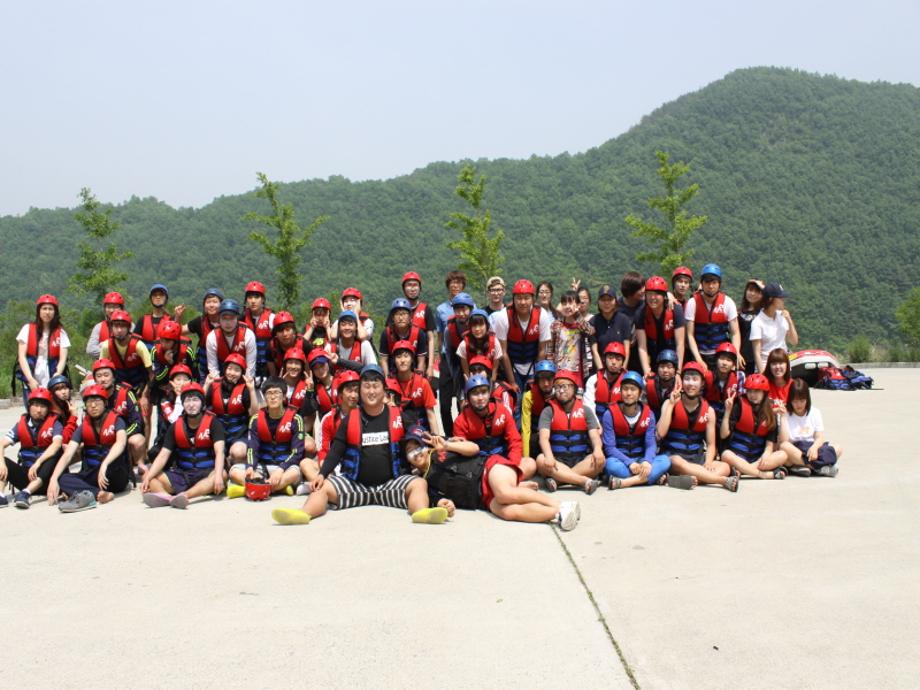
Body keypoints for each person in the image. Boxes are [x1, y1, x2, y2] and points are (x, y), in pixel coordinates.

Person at [270, 364, 448, 526]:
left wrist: (439, 442)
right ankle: (303, 514)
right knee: (322, 487)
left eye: (376, 386)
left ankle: (421, 512)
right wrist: (322, 474)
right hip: (355, 485)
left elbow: (419, 434)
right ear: (360, 391)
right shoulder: (349, 420)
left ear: (384, 391)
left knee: (418, 484)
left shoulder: (399, 417)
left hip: (391, 484)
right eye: (367, 387)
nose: (371, 391)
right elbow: (336, 450)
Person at [432, 381, 580, 530]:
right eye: (475, 394)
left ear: (489, 393)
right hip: (478, 475)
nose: (480, 397)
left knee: (526, 467)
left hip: (495, 465)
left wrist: (512, 467)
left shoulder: (501, 411)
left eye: (483, 392)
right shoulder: (461, 421)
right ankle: (560, 513)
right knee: (508, 512)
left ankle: (559, 504)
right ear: (468, 398)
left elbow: (515, 441)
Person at [141, 382, 227, 508]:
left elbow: (220, 452)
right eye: (187, 401)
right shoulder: (175, 426)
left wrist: (218, 476)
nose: (191, 405)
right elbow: (163, 455)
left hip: (207, 473)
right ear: (183, 404)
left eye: (195, 400)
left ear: (202, 403)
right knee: (149, 477)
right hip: (183, 474)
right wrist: (148, 477)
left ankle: (185, 495)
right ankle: (168, 498)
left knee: (222, 474)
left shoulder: (214, 423)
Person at [657, 362, 739, 492]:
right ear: (681, 382)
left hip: (696, 458)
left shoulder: (709, 411)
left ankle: (678, 479)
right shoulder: (669, 402)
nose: (690, 383)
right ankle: (721, 480)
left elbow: (711, 445)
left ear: (702, 384)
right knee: (676, 461)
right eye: (687, 379)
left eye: (695, 379)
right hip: (673, 456)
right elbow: (660, 433)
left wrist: (708, 462)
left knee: (725, 467)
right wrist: (671, 404)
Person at [47, 384, 130, 512]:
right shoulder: (83, 428)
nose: (93, 405)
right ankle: (99, 494)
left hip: (114, 475)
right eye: (89, 402)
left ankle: (82, 492)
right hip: (94, 477)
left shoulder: (117, 420)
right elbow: (68, 454)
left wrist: (105, 464)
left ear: (105, 403)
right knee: (63, 478)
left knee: (115, 460)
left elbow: (121, 443)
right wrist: (53, 478)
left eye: (97, 401)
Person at [227, 378, 304, 498]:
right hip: (262, 467)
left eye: (277, 393)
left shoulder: (296, 419)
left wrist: (281, 469)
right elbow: (252, 449)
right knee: (234, 471)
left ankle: (254, 488)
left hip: (285, 468)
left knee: (295, 473)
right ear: (264, 397)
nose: (273, 397)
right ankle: (278, 488)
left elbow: (297, 452)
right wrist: (250, 467)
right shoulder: (256, 419)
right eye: (269, 393)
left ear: (284, 396)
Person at [536, 370, 604, 493]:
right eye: (557, 387)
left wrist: (598, 449)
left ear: (574, 388)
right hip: (557, 461)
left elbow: (595, 437)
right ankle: (582, 481)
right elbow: (543, 438)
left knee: (600, 459)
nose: (561, 391)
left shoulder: (586, 410)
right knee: (541, 459)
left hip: (580, 460)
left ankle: (559, 480)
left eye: (565, 386)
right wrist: (549, 457)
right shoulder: (548, 411)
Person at [491, 279, 553, 413]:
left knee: (533, 400)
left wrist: (536, 376)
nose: (523, 302)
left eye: (526, 298)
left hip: (532, 364)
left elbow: (542, 350)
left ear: (533, 299)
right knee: (516, 401)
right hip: (512, 365)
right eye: (519, 298)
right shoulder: (503, 317)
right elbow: (503, 352)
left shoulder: (541, 315)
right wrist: (512, 381)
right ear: (513, 299)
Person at [601, 372, 671, 490]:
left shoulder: (649, 414)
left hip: (641, 460)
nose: (628, 393)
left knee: (665, 461)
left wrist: (647, 461)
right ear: (620, 391)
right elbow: (610, 448)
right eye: (625, 389)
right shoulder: (609, 414)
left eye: (633, 389)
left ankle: (625, 482)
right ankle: (651, 478)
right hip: (621, 462)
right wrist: (629, 462)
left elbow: (651, 444)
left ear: (640, 393)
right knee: (609, 465)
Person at [0, 388, 63, 508]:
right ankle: (1, 496)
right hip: (27, 476)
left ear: (48, 409)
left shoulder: (55, 423)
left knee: (54, 456)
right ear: (29, 407)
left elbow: (56, 444)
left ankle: (25, 493)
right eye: (36, 405)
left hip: (46, 480)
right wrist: (1, 463)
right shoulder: (21, 425)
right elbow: (1, 444)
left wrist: (38, 462)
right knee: (1, 460)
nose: (39, 410)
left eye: (43, 406)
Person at [719, 374, 787, 479]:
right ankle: (762, 474)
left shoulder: (770, 413)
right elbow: (723, 435)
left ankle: (744, 470)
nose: (752, 395)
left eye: (756, 391)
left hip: (757, 460)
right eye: (749, 391)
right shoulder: (738, 405)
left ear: (764, 393)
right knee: (726, 455)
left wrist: (766, 455)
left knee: (783, 455)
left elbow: (769, 446)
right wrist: (727, 411)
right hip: (737, 456)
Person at [91, 358, 148, 475]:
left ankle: (140, 465)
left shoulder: (126, 392)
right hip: (103, 437)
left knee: (138, 440)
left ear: (113, 376)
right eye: (99, 376)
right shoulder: (91, 396)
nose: (103, 379)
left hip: (125, 434)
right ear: (95, 379)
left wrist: (120, 437)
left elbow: (137, 422)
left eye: (106, 375)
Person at [205, 353, 258, 470]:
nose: (232, 373)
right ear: (224, 370)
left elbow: (254, 414)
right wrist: (207, 384)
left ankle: (233, 464)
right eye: (229, 369)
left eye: (237, 370)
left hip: (239, 433)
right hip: (218, 432)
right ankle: (225, 464)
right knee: (212, 454)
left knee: (238, 452)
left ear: (242, 373)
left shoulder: (245, 388)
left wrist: (252, 390)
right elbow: (200, 405)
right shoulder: (214, 385)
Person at [780, 378, 842, 478]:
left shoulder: (815, 412)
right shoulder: (786, 414)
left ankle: (804, 466)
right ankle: (819, 468)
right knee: (784, 447)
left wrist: (814, 448)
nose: (799, 405)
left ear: (807, 399)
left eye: (802, 401)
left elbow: (819, 437)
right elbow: (784, 441)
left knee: (838, 448)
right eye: (795, 401)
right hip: (796, 449)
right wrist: (783, 417)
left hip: (811, 448)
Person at [16, 294, 70, 407]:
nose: (47, 312)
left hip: (52, 375)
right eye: (44, 308)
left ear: (55, 312)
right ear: (39, 311)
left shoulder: (61, 332)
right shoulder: (27, 329)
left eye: (50, 309)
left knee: (54, 410)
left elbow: (63, 359)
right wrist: (30, 380)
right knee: (34, 410)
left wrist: (56, 377)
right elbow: (22, 356)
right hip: (31, 375)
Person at [685, 263, 741, 371]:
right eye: (707, 282)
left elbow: (735, 333)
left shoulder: (728, 302)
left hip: (722, 355)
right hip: (699, 353)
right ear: (702, 283)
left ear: (719, 284)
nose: (711, 286)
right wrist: (698, 359)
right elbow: (690, 334)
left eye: (714, 282)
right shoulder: (693, 303)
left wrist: (736, 353)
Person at [437, 292, 475, 435]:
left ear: (470, 309)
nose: (461, 313)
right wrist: (455, 375)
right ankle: (456, 434)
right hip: (458, 366)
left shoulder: (478, 324)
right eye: (458, 310)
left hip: (477, 365)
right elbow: (449, 353)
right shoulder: (450, 328)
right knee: (461, 401)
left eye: (464, 309)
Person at [387, 340, 440, 433]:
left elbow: (431, 415)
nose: (402, 360)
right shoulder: (388, 385)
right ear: (394, 360)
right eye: (398, 357)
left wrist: (436, 437)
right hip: (398, 428)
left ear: (412, 359)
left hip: (420, 430)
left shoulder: (423, 383)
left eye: (406, 356)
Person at [637, 275, 686, 375]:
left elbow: (680, 344)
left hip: (672, 356)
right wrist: (646, 370)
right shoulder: (641, 313)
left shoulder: (676, 310)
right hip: (653, 355)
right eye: (649, 294)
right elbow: (642, 346)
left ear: (664, 296)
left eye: (656, 294)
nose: (652, 298)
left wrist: (678, 371)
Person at [99, 309, 154, 396]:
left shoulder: (138, 345)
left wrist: (145, 394)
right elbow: (101, 371)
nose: (119, 330)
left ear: (128, 328)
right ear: (111, 327)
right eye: (116, 326)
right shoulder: (107, 346)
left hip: (140, 386)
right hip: (118, 387)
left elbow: (151, 373)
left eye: (123, 326)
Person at [751, 283, 799, 373]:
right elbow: (757, 353)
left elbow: (794, 341)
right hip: (766, 367)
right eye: (780, 298)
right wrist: (763, 375)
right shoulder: (757, 322)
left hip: (784, 366)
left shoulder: (782, 316)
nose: (783, 300)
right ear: (770, 299)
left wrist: (789, 321)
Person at [546, 290, 592, 385]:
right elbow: (550, 351)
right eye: (564, 303)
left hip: (577, 372)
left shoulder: (581, 325)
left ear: (578, 305)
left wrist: (577, 314)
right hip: (559, 370)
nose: (567, 306)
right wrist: (550, 371)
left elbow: (589, 331)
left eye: (570, 303)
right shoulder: (556, 325)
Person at [315, 370, 361, 463]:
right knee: (305, 463)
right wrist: (325, 466)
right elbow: (323, 451)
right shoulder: (328, 418)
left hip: (359, 463)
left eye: (356, 391)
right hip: (335, 463)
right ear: (340, 394)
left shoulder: (365, 415)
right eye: (349, 391)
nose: (353, 395)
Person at [457, 308, 512, 383]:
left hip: (490, 379)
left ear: (487, 325)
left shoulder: (495, 342)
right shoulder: (463, 345)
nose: (477, 329)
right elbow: (466, 372)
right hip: (472, 380)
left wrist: (491, 384)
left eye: (481, 324)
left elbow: (495, 370)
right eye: (474, 325)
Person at [206, 298, 256, 378]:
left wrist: (246, 383)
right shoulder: (212, 337)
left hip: (242, 373)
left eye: (232, 318)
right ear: (219, 319)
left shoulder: (248, 335)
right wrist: (218, 383)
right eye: (224, 318)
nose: (228, 322)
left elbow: (250, 367)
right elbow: (213, 368)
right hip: (221, 373)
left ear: (237, 318)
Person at [149, 319, 195, 407]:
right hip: (163, 386)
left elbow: (194, 375)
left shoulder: (187, 351)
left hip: (182, 385)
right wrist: (167, 364)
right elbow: (157, 377)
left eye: (167, 341)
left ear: (175, 341)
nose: (163, 344)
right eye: (162, 340)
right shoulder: (155, 351)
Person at [588, 284, 632, 373]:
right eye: (603, 300)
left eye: (609, 299)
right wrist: (601, 373)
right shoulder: (593, 322)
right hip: (600, 369)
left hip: (620, 368)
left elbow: (627, 350)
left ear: (615, 301)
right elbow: (594, 351)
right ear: (598, 302)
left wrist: (622, 370)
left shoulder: (624, 320)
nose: (606, 303)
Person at [400, 272, 436, 378]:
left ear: (420, 288)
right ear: (404, 289)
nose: (412, 288)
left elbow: (431, 339)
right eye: (409, 285)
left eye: (415, 285)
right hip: (401, 358)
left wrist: (430, 366)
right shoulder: (398, 309)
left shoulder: (425, 309)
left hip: (422, 359)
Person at [379, 298, 428, 377]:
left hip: (413, 372)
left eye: (404, 314)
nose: (401, 318)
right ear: (392, 317)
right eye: (397, 314)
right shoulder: (387, 334)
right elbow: (384, 360)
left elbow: (421, 361)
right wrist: (386, 379)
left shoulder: (419, 333)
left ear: (410, 317)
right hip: (393, 372)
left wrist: (418, 380)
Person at [183, 287, 223, 382]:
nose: (211, 305)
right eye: (208, 302)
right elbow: (179, 330)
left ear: (222, 304)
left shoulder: (229, 321)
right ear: (204, 305)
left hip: (224, 366)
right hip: (204, 369)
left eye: (215, 302)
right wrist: (177, 317)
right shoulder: (200, 322)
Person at [703, 342, 744, 431]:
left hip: (730, 415)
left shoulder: (739, 377)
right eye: (721, 359)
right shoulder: (707, 376)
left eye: (729, 360)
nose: (724, 363)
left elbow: (743, 402)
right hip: (710, 415)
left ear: (733, 364)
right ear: (716, 360)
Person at [520, 360, 556, 458]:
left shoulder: (559, 395)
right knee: (533, 440)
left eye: (549, 379)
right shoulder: (529, 396)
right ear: (537, 380)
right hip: (536, 435)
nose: (546, 383)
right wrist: (526, 457)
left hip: (554, 434)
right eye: (542, 379)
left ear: (554, 379)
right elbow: (526, 429)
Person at [240, 280, 275, 381]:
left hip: (268, 366)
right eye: (250, 297)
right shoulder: (241, 318)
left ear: (263, 299)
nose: (253, 301)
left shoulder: (271, 318)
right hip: (247, 366)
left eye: (256, 297)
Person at [583, 341, 627, 420]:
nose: (614, 362)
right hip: (597, 419)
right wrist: (596, 425)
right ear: (604, 359)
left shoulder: (628, 381)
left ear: (622, 362)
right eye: (610, 358)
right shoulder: (593, 380)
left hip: (620, 420)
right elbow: (589, 407)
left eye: (618, 359)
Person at [135, 284, 182, 351]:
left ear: (166, 299)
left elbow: (176, 339)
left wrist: (178, 318)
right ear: (151, 299)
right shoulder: (142, 320)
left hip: (163, 355)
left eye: (161, 295)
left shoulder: (171, 320)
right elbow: (135, 341)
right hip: (145, 356)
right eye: (155, 295)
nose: (158, 297)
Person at [86, 291, 128, 359]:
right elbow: (90, 349)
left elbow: (135, 348)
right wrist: (113, 352)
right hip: (105, 364)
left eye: (115, 307)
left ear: (121, 309)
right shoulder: (99, 327)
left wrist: (103, 346)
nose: (111, 310)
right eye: (109, 307)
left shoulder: (130, 326)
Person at [266, 310, 304, 377]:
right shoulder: (271, 347)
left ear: (294, 331)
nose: (284, 334)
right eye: (280, 331)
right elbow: (273, 375)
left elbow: (309, 372)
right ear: (276, 333)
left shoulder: (304, 344)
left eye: (288, 330)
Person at [738, 279, 764, 375]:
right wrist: (737, 354)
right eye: (750, 290)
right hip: (743, 359)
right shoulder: (739, 313)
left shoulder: (764, 312)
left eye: (757, 291)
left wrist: (763, 287)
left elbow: (773, 299)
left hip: (761, 358)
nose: (752, 293)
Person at [644, 349, 678, 421]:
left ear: (675, 370)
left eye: (669, 367)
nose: (665, 370)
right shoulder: (648, 382)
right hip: (651, 418)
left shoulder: (679, 387)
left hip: (672, 419)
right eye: (662, 366)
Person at [48, 374, 78, 445]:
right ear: (52, 393)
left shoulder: (66, 405)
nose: (63, 392)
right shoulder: (53, 413)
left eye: (65, 388)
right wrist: (73, 417)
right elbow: (62, 439)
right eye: (58, 389)